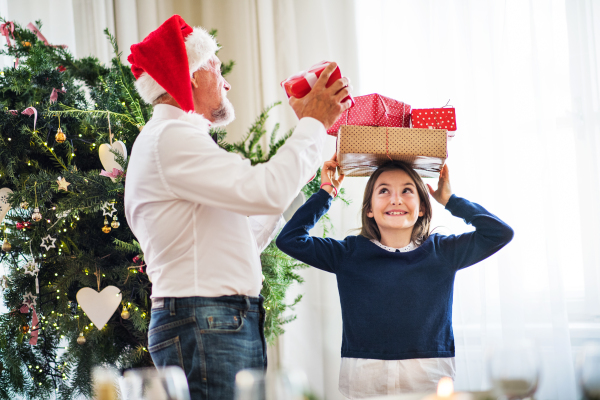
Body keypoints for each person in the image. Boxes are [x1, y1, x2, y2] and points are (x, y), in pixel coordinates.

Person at [124, 15, 352, 400]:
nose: (226, 81)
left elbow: (241, 237)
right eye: (215, 66)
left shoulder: (171, 141)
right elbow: (263, 190)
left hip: (212, 319)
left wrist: (299, 174)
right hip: (207, 320)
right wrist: (313, 124)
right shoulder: (173, 138)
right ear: (193, 75)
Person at [276, 157, 514, 398]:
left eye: (407, 190)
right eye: (384, 191)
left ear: (422, 207)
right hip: (364, 375)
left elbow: (499, 233)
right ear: (369, 209)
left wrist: (450, 201)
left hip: (429, 372)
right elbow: (290, 239)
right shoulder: (349, 253)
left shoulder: (442, 252)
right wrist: (327, 192)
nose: (396, 199)